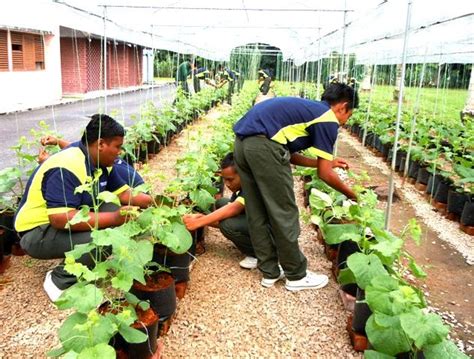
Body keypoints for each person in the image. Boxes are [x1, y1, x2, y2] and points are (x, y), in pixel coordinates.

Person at [233, 83, 358, 291]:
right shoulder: (327, 118)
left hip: (243, 145)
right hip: (264, 148)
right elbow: (324, 173)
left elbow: (288, 155)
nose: (345, 122)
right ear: (342, 107)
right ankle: (296, 275)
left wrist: (326, 162)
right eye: (349, 115)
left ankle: (270, 272)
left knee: (257, 210)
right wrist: (352, 195)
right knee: (284, 211)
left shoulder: (308, 110)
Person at [15, 114, 153, 301]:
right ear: (101, 144)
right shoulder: (66, 165)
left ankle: (83, 260)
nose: (120, 152)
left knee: (112, 207)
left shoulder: (102, 163)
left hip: (60, 223)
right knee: (105, 238)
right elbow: (60, 219)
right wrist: (113, 219)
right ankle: (59, 280)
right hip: (36, 232)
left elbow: (124, 194)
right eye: (118, 147)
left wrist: (157, 202)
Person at [182, 153, 257, 269]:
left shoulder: (252, 187)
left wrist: (199, 221)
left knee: (227, 225)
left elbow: (234, 208)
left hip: (270, 230)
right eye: (224, 179)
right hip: (256, 220)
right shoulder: (243, 185)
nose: (226, 184)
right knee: (221, 202)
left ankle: (258, 254)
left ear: (243, 174)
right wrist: (201, 218)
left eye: (230, 180)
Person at [38, 135, 145, 188]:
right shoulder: (107, 153)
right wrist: (57, 141)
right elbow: (75, 148)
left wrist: (48, 162)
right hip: (137, 190)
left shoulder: (102, 165)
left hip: (134, 193)